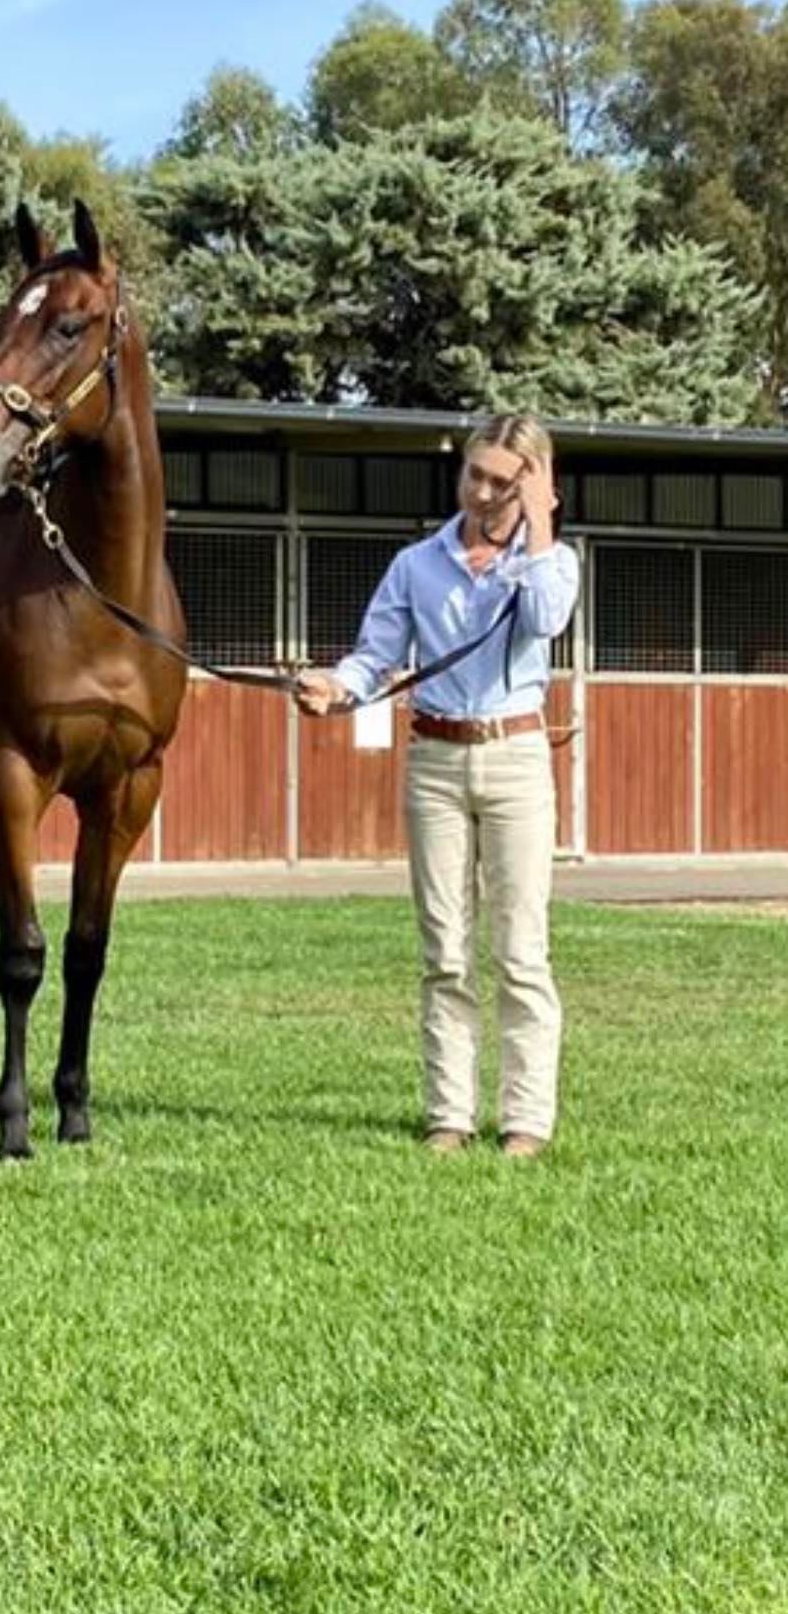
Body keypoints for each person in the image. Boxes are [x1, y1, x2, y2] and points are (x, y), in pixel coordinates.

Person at [296, 415, 579, 1158]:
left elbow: (547, 620)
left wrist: (540, 525)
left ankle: (526, 1123)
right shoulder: (417, 563)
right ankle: (448, 1116)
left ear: (532, 484)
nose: (481, 492)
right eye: (474, 475)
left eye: (501, 480)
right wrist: (336, 686)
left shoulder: (551, 563)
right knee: (444, 951)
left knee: (521, 952)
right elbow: (376, 655)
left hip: (516, 758)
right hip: (436, 763)